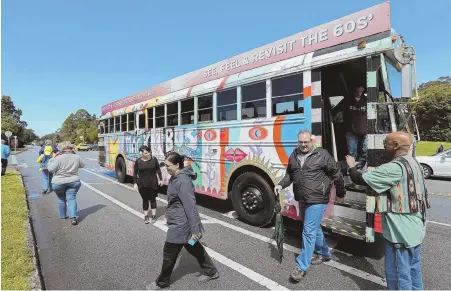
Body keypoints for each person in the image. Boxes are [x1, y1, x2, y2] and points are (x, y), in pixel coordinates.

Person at [345, 131, 430, 290]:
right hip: (415, 229)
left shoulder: (393, 168)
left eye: (386, 143)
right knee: (413, 271)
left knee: (398, 276)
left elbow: (359, 179)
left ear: (396, 146)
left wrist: (351, 165)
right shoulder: (414, 162)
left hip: (400, 234)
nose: (383, 146)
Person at [274, 130, 346, 282]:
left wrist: (340, 193)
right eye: (300, 142)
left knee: (308, 231)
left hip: (317, 199)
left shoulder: (322, 155)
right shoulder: (294, 155)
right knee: (313, 228)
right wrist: (280, 185)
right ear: (297, 141)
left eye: (306, 142)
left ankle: (301, 267)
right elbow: (290, 175)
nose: (303, 145)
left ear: (311, 141)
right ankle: (325, 253)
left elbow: (337, 173)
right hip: (302, 198)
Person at [149, 152, 219, 290]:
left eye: (168, 165)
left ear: (177, 165)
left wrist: (195, 229)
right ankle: (212, 272)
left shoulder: (183, 181)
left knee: (169, 252)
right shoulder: (175, 177)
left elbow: (190, 206)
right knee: (194, 247)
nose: (166, 168)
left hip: (181, 226)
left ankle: (162, 282)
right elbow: (175, 202)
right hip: (179, 222)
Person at [47, 141, 85, 225]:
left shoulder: (58, 158)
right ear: (71, 148)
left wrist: (52, 159)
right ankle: (73, 218)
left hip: (58, 182)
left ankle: (63, 216)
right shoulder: (76, 157)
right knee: (71, 198)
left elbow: (50, 169)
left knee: (61, 199)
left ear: (60, 149)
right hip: (74, 181)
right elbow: (82, 165)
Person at [332, 85, 368, 169]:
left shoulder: (366, 101)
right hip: (351, 131)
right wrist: (332, 117)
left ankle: (361, 167)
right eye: (357, 91)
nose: (359, 93)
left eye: (361, 91)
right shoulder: (347, 101)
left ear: (363, 91)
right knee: (352, 151)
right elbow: (335, 110)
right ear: (354, 91)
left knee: (366, 150)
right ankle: (351, 170)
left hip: (365, 131)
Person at [133, 145, 163, 224]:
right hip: (142, 184)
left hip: (153, 183)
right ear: (141, 153)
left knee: (153, 199)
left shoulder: (154, 159)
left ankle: (154, 216)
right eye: (146, 153)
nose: (148, 154)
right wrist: (135, 183)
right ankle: (146, 216)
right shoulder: (138, 161)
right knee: (145, 200)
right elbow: (135, 173)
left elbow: (158, 169)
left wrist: (160, 179)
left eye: (148, 152)